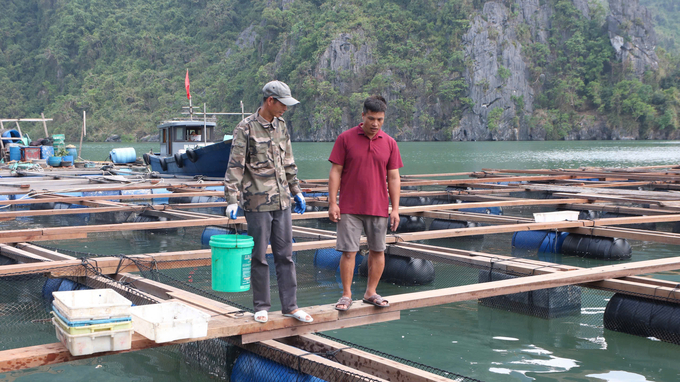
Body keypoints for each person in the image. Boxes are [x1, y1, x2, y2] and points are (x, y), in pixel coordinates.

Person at [224, 80, 312, 324]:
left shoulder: (282, 126)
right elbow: (235, 166)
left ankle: (290, 306)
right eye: (283, 104)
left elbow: (289, 163)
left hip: (282, 201)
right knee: (259, 256)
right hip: (257, 203)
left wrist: (297, 191)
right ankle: (261, 306)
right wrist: (231, 199)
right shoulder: (246, 128)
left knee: (286, 255)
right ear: (270, 101)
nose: (286, 108)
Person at [328, 95, 403, 311]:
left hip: (378, 206)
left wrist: (395, 209)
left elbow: (394, 177)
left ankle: (371, 292)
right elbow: (335, 172)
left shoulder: (389, 143)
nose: (375, 124)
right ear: (363, 116)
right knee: (349, 251)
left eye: (380, 119)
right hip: (349, 207)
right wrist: (333, 203)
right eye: (371, 118)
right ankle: (346, 295)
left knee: (378, 250)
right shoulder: (345, 139)